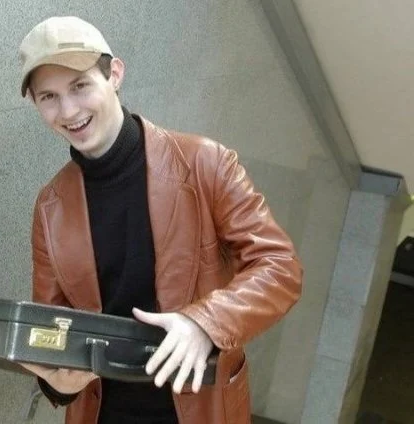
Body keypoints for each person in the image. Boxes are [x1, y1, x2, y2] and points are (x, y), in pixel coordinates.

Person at [17, 16, 303, 424]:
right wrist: (57, 384)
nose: (69, 110)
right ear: (35, 103)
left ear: (115, 74)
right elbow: (52, 329)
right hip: (102, 413)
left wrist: (203, 323)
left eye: (80, 86)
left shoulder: (205, 162)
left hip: (202, 409)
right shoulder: (51, 207)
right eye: (49, 96)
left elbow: (281, 268)